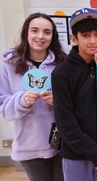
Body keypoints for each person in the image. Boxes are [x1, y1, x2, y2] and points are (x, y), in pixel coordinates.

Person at [51, 8, 97, 181]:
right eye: (86, 35)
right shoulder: (61, 73)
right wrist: (96, 155)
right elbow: (66, 123)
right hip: (76, 155)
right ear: (74, 38)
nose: (93, 41)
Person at [0, 13, 67, 181]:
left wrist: (59, 100)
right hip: (29, 145)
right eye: (35, 31)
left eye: (47, 32)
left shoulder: (63, 63)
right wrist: (21, 101)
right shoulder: (9, 65)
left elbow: (75, 100)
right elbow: (3, 107)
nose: (40, 36)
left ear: (53, 36)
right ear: (26, 33)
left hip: (61, 142)